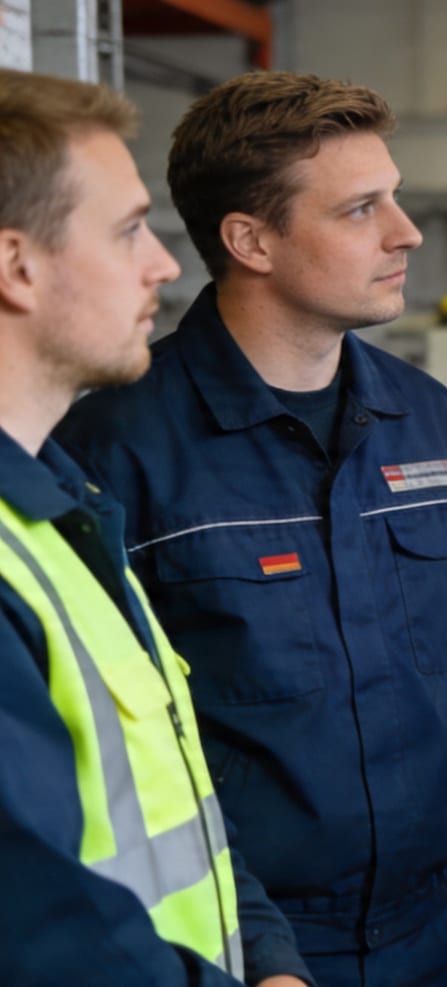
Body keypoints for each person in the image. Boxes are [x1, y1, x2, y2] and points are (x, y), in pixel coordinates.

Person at [54, 71, 447, 986]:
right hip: (234, 943)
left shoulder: (429, 420)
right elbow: (108, 750)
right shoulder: (113, 447)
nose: (406, 232)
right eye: (362, 209)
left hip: (430, 929)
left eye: (394, 199)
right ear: (250, 239)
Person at [0, 70, 311, 985]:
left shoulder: (63, 510)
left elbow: (177, 803)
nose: (165, 264)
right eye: (129, 231)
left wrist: (267, 956)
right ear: (16, 264)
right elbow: (43, 933)